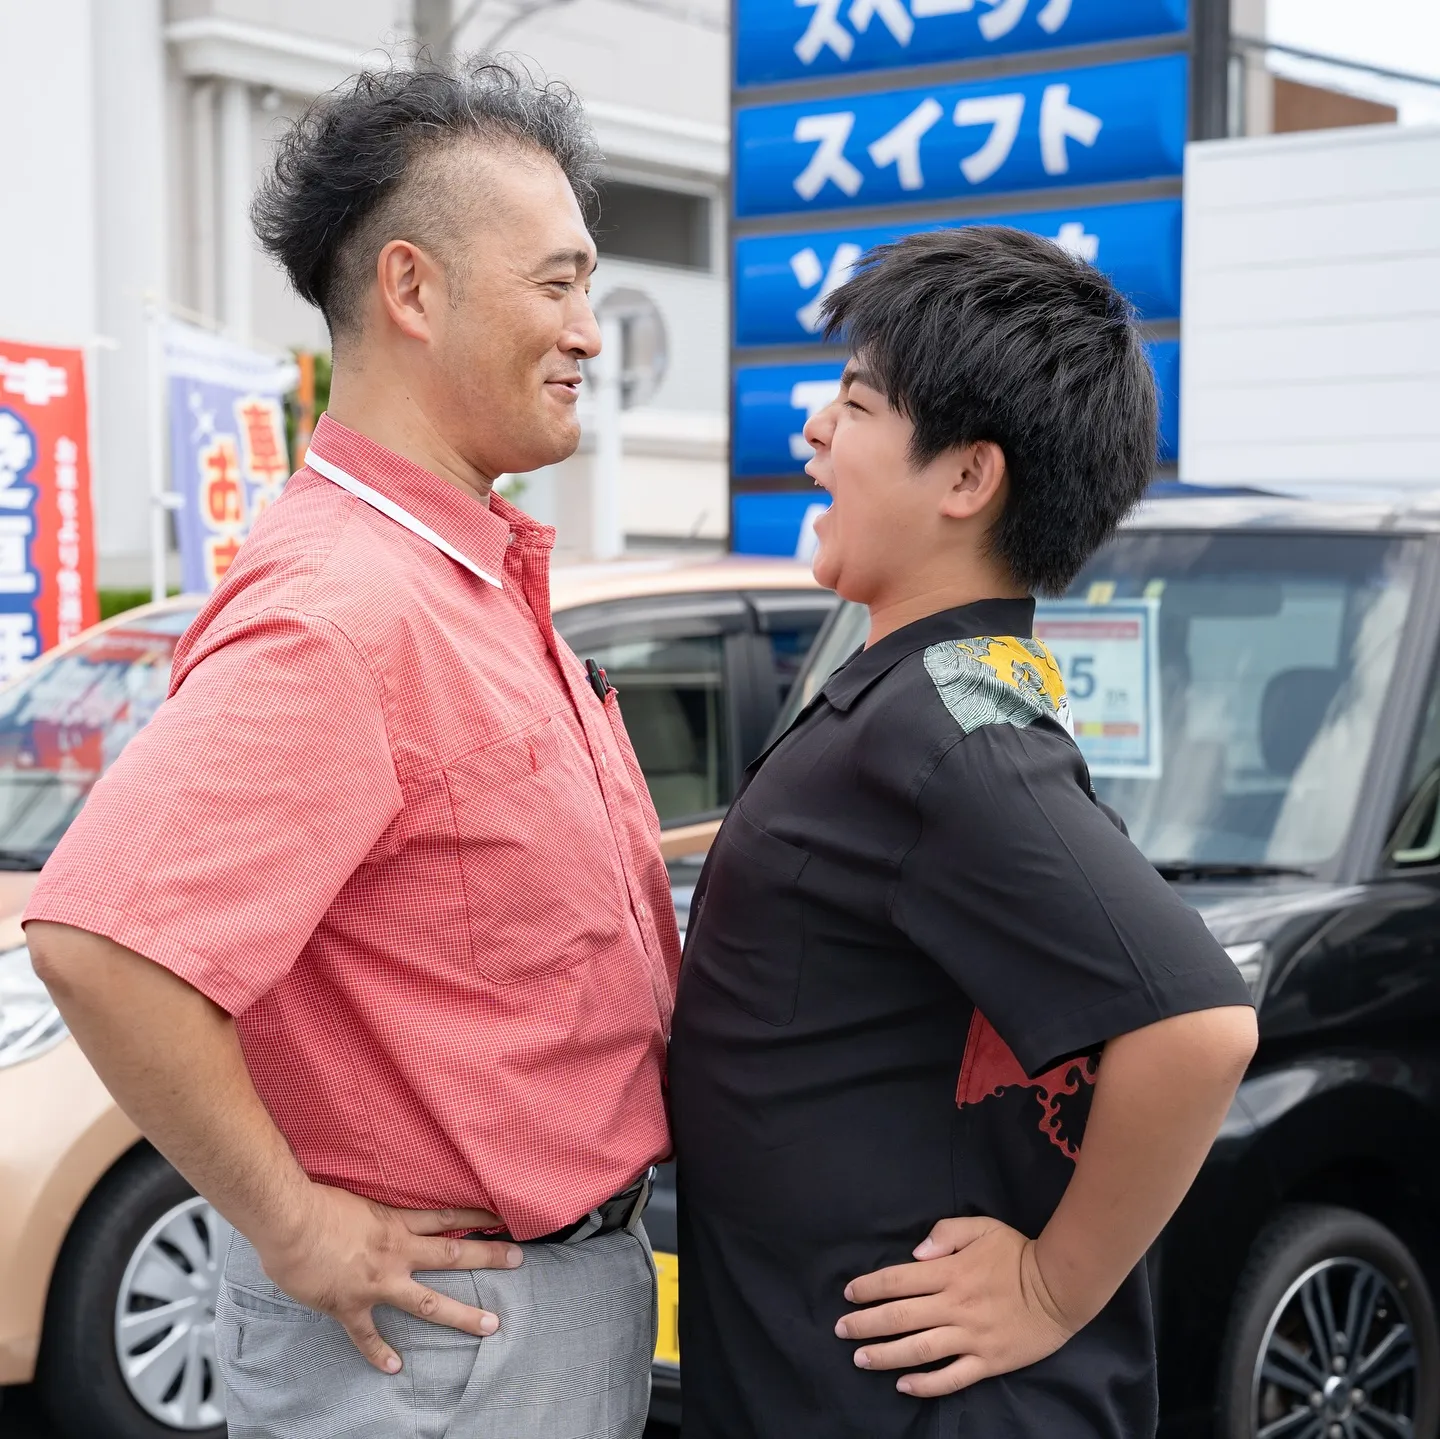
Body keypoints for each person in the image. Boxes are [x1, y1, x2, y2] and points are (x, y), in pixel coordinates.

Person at [25, 58, 679, 1439]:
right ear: (413, 290)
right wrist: (294, 1221)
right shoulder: (349, 607)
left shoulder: (460, 575)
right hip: (449, 1361)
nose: (587, 330)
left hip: (530, 1324)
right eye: (557, 283)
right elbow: (100, 937)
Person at [668, 226, 1259, 1438]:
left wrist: (1053, 1285)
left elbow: (1198, 1023)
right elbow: (862, 866)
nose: (817, 434)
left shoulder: (944, 730)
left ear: (965, 479)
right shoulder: (940, 691)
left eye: (856, 404)